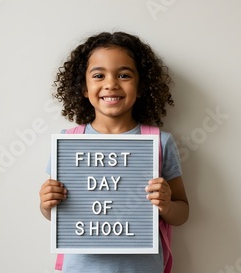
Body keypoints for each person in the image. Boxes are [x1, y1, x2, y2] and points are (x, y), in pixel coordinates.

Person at [39, 31, 189, 272]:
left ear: (140, 87)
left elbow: (182, 212)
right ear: (84, 89)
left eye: (124, 75)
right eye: (99, 75)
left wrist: (167, 205)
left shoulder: (160, 143)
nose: (111, 83)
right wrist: (47, 204)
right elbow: (58, 216)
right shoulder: (68, 142)